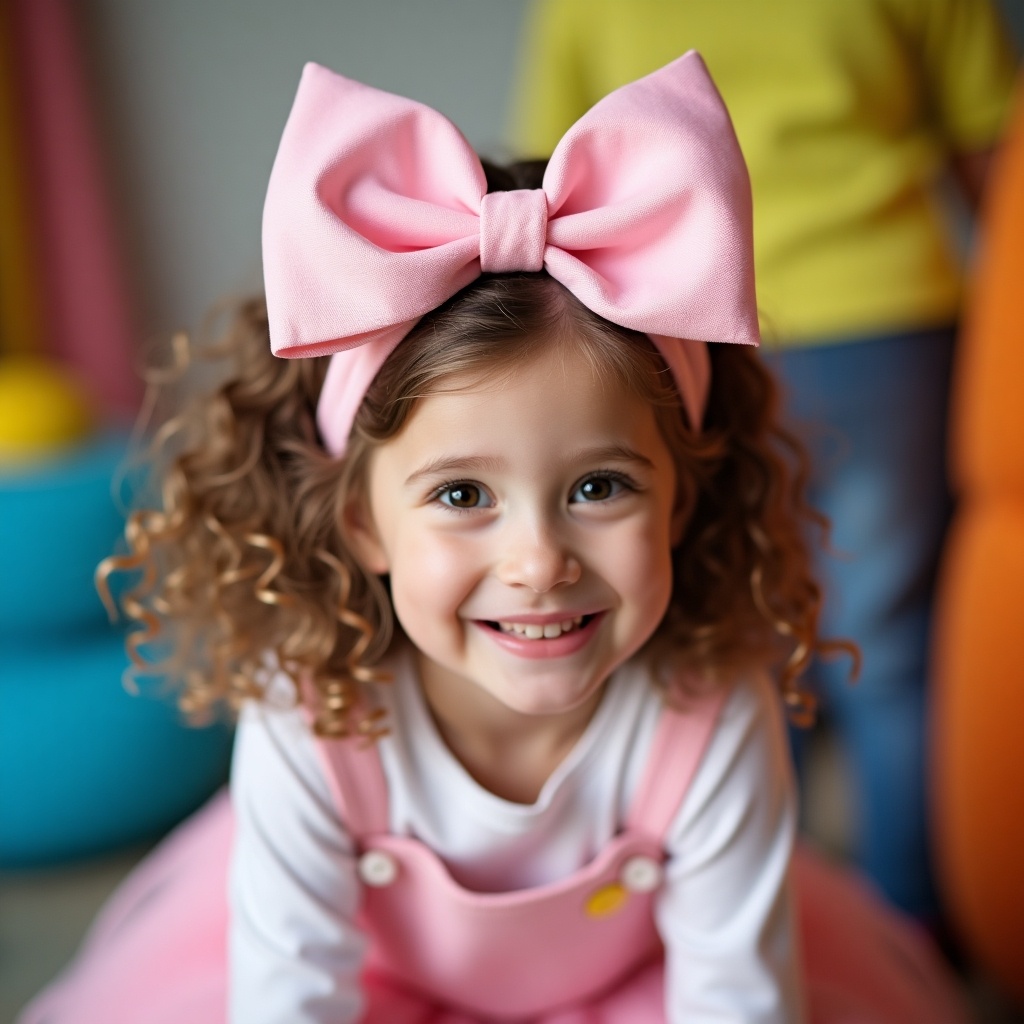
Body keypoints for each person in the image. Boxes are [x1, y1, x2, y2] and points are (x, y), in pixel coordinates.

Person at [21, 55, 968, 1023]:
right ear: (362, 522)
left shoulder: (712, 710)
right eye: (463, 492)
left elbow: (735, 996)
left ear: (680, 500)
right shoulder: (313, 715)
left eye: (598, 486)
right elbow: (291, 994)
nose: (538, 562)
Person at [511, 0, 1018, 924]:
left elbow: (558, 176)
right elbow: (996, 156)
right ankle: (909, 933)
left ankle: (752, 903)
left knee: (733, 630)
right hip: (889, 317)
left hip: (687, 315)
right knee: (892, 649)